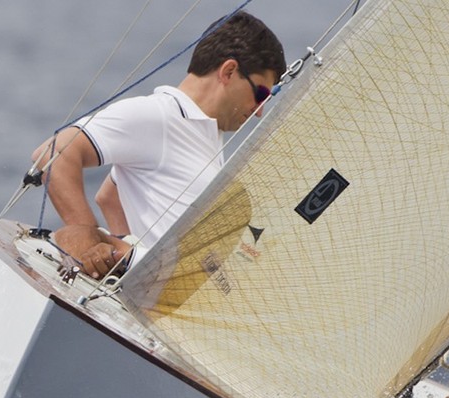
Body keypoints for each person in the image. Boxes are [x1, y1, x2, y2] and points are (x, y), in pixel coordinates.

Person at [31, 11, 286, 279]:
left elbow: (110, 196)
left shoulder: (206, 134)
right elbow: (53, 154)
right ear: (229, 71)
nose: (260, 111)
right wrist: (87, 243)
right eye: (261, 94)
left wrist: (127, 253)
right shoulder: (160, 116)